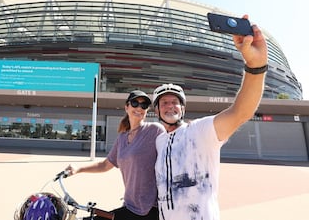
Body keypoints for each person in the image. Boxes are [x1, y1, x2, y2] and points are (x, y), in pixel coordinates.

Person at [153, 15, 268, 220]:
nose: (170, 106)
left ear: (183, 108)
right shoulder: (159, 141)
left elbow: (240, 112)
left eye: (174, 102)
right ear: (157, 111)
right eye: (164, 103)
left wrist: (256, 67)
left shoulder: (200, 131)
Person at [65, 90, 166, 220]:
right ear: (127, 107)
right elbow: (105, 164)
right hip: (130, 205)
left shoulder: (154, 130)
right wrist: (78, 169)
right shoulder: (122, 137)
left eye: (144, 105)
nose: (139, 108)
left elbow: (171, 153)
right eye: (135, 103)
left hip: (149, 208)